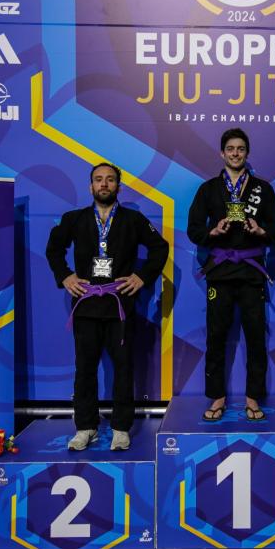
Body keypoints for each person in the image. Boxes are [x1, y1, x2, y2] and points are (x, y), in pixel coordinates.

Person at [46, 163, 168, 450]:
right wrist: (65, 276)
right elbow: (54, 249)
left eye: (110, 180)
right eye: (98, 180)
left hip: (119, 304)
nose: (104, 184)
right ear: (90, 186)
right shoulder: (74, 219)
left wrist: (142, 277)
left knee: (123, 368)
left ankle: (121, 427)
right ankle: (85, 426)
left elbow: (159, 247)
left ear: (118, 187)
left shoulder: (133, 220)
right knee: (84, 368)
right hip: (86, 304)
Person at [187, 128, 275, 421]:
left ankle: (253, 398)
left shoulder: (262, 189)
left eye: (240, 149)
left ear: (247, 153)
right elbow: (193, 229)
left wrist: (261, 231)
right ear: (222, 153)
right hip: (220, 272)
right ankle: (217, 397)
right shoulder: (208, 189)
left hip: (251, 272)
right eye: (230, 148)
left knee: (255, 337)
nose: (235, 153)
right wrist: (212, 232)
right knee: (216, 336)